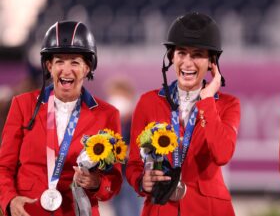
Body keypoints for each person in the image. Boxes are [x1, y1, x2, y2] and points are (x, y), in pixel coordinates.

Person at [0, 21, 122, 216]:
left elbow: (113, 181)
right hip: (28, 212)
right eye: (59, 61)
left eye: (74, 61)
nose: (66, 70)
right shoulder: (22, 106)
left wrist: (96, 183)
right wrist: (9, 200)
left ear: (87, 68)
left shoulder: (107, 114)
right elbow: (3, 166)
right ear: (49, 66)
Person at [126, 12, 241, 216]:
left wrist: (206, 100)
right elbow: (134, 163)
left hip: (209, 209)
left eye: (197, 54)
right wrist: (141, 180)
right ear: (171, 56)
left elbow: (222, 154)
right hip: (160, 208)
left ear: (212, 62)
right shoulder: (148, 102)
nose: (187, 63)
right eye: (181, 53)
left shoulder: (228, 105)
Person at [105, 78, 142, 216]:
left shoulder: (137, 121)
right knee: (118, 210)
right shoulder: (109, 121)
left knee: (131, 211)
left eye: (120, 95)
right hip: (113, 176)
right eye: (113, 95)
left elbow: (143, 150)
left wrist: (122, 152)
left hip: (132, 178)